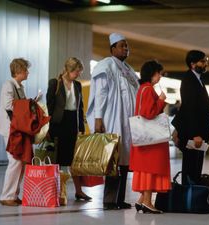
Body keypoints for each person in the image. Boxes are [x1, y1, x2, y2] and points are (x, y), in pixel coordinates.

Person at [86, 33, 139, 210]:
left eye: (127, 46)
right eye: (122, 45)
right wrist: (98, 118)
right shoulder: (106, 66)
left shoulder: (128, 69)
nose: (126, 48)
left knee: (124, 160)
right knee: (112, 160)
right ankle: (109, 200)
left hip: (127, 122)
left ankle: (120, 198)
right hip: (112, 119)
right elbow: (100, 94)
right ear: (112, 49)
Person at [129, 60, 171, 214]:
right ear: (152, 73)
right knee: (151, 168)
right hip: (151, 140)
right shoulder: (148, 89)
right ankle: (147, 202)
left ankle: (142, 201)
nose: (160, 76)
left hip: (144, 138)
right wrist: (160, 101)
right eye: (159, 73)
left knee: (146, 169)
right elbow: (148, 113)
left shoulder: (143, 88)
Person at [46, 57, 88, 202]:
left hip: (72, 123)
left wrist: (81, 127)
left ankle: (79, 191)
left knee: (73, 160)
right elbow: (49, 107)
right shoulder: (55, 83)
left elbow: (80, 107)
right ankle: (55, 191)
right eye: (77, 71)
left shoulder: (77, 85)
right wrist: (49, 129)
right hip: (58, 124)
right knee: (56, 160)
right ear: (69, 70)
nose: (78, 74)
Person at [171, 50, 209, 185]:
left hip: (200, 131)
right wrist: (195, 134)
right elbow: (190, 108)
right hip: (194, 134)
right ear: (193, 64)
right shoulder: (189, 79)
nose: (205, 64)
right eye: (202, 61)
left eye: (206, 61)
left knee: (196, 167)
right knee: (191, 167)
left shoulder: (198, 79)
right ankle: (188, 199)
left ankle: (192, 198)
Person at [0, 58, 30, 206]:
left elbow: (21, 105)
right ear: (18, 71)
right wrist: (27, 105)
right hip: (9, 129)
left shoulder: (20, 87)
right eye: (25, 70)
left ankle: (14, 194)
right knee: (15, 161)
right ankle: (6, 196)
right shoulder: (8, 85)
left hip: (18, 129)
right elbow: (9, 105)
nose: (28, 72)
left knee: (20, 162)